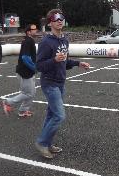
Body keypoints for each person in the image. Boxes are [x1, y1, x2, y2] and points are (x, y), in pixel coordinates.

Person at [35, 9, 90, 159]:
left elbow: (64, 61)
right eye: (56, 18)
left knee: (51, 115)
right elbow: (39, 66)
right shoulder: (46, 42)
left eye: (61, 18)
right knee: (59, 116)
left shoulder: (64, 40)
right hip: (49, 83)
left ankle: (47, 143)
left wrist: (79, 63)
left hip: (60, 82)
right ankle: (41, 142)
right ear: (50, 22)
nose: (59, 20)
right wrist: (54, 60)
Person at [2, 24, 37, 117]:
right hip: (24, 72)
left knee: (32, 93)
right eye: (34, 29)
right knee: (28, 93)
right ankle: (8, 102)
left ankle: (23, 110)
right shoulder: (28, 41)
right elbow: (25, 58)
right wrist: (34, 67)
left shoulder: (30, 41)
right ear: (28, 32)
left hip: (29, 71)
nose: (36, 30)